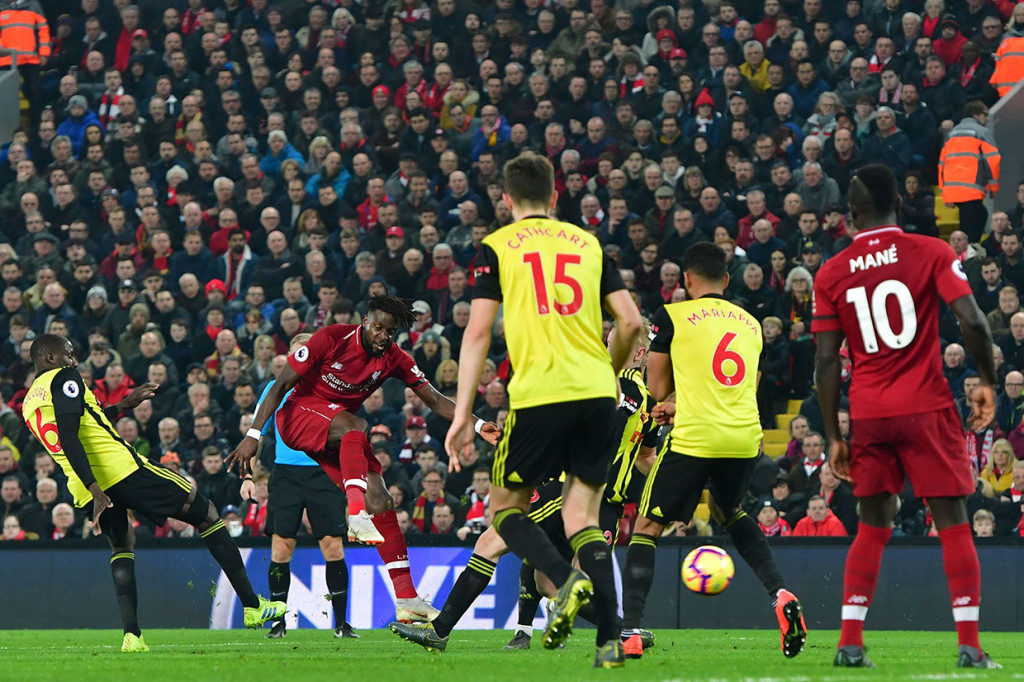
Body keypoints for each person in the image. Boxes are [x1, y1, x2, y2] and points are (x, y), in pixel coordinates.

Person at [394, 154, 642, 668]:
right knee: (583, 517)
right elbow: (632, 323)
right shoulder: (589, 244)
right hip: (598, 396)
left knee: (503, 512)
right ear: (555, 197)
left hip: (540, 396)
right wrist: (607, 372)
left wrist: (462, 412)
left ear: (506, 201)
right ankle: (610, 641)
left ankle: (568, 582)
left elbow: (479, 331)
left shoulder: (498, 247)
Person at [813, 164, 1001, 669]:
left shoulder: (831, 272)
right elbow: (972, 320)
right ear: (899, 200)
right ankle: (970, 646)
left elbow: (827, 361)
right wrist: (986, 380)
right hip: (926, 405)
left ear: (851, 213)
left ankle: (850, 643)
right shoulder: (931, 251)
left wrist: (834, 433)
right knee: (954, 522)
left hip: (870, 413)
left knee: (872, 526)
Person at [390, 320, 659, 656]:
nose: (607, 349)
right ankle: (623, 631)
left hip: (570, 489)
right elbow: (647, 457)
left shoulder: (619, 388)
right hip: (598, 500)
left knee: (490, 540)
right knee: (548, 584)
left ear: (637, 352)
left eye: (612, 344)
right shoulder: (647, 399)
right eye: (607, 342)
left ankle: (439, 631)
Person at [226, 296, 500, 624]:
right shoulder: (330, 338)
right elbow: (280, 385)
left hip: (337, 433)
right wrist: (253, 436)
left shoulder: (395, 358)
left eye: (390, 331)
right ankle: (355, 513)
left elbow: (436, 401)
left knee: (381, 499)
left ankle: (407, 598)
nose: (382, 335)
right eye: (377, 327)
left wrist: (478, 424)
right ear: (365, 320)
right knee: (357, 425)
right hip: (297, 416)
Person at [21, 334, 285, 652]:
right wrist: (98, 487)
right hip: (119, 470)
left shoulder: (28, 402)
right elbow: (69, 434)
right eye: (68, 354)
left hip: (81, 483)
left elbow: (85, 422)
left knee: (122, 545)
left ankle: (132, 636)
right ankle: (252, 604)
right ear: (50, 358)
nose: (74, 360)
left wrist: (125, 405)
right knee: (205, 511)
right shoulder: (64, 377)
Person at [621, 242, 807, 660]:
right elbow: (744, 387)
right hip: (743, 438)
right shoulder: (752, 323)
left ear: (686, 280)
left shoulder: (672, 315)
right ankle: (781, 593)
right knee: (729, 510)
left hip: (696, 436)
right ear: (726, 279)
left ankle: (630, 628)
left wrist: (669, 405)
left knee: (649, 526)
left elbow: (656, 391)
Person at [243, 333, 356, 640]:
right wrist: (247, 477)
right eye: (297, 355)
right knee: (281, 548)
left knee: (333, 546)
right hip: (287, 476)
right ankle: (279, 622)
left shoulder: (334, 389)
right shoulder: (275, 389)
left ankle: (342, 624)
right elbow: (257, 434)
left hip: (323, 473)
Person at [938, 101, 999, 244]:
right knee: (974, 224)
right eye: (985, 114)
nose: (987, 118)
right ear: (975, 114)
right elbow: (993, 160)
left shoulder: (952, 133)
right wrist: (994, 187)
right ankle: (968, 256)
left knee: (973, 219)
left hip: (953, 189)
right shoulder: (982, 132)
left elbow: (942, 164)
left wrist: (944, 193)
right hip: (972, 188)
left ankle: (967, 254)